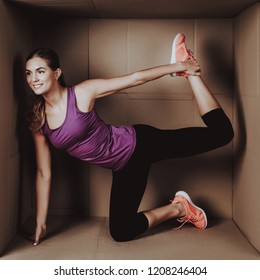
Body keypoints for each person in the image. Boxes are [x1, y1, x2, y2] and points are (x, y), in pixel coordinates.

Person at [25, 33, 234, 245]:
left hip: (140, 144)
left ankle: (191, 73)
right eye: (29, 73)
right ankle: (180, 207)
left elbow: (135, 78)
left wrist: (180, 66)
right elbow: (44, 173)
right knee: (121, 231)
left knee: (222, 134)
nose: (34, 79)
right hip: (124, 167)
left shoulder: (82, 93)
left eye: (40, 71)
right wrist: (41, 222)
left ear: (56, 73)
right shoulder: (38, 119)